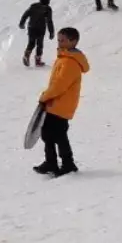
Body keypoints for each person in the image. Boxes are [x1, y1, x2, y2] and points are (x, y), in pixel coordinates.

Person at [33, 27, 89, 177]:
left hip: (60, 105)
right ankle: (52, 162)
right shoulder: (64, 59)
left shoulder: (70, 62)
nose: (60, 43)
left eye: (63, 40)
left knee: (58, 135)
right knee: (48, 134)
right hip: (56, 104)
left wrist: (45, 96)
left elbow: (59, 85)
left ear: (74, 41)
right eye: (59, 40)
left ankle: (67, 164)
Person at [19, 0, 55, 67]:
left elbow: (25, 15)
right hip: (40, 29)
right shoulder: (47, 9)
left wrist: (22, 23)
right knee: (39, 45)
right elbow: (49, 21)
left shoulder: (34, 6)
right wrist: (51, 32)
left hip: (32, 28)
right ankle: (37, 60)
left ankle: (27, 56)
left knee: (32, 43)